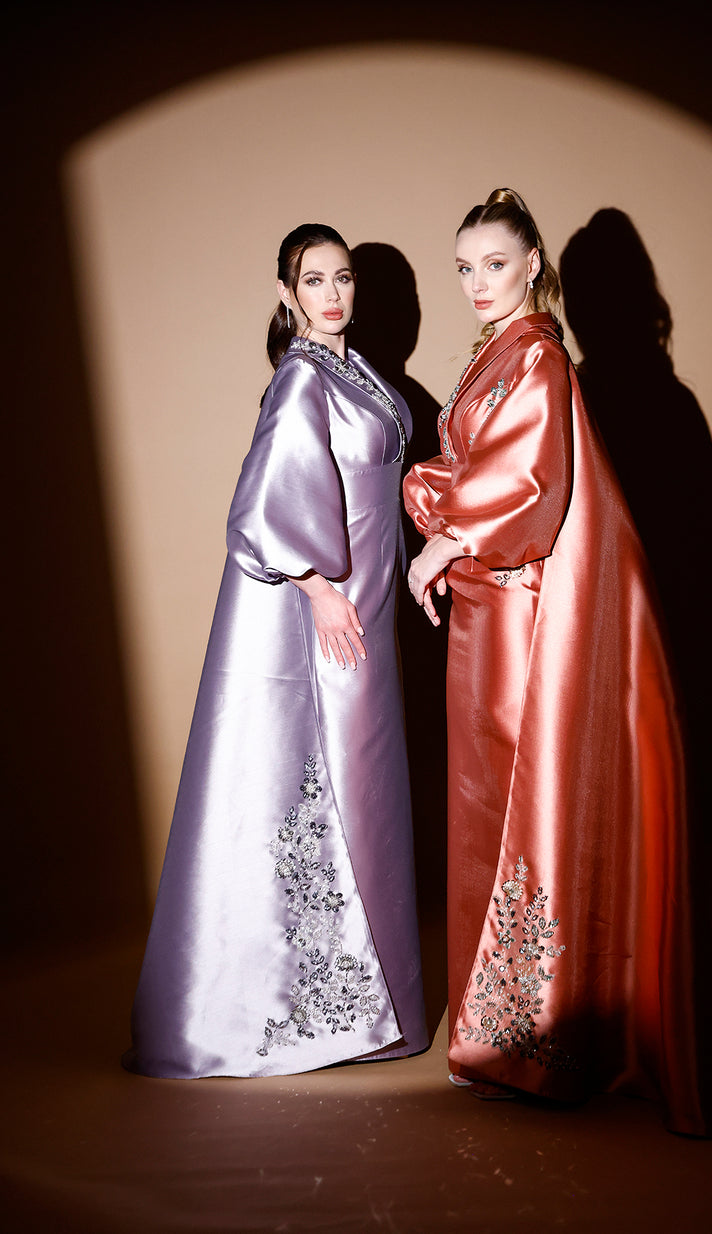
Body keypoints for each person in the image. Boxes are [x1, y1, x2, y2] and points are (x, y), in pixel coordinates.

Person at [403, 189, 712, 1136]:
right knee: (490, 806)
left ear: (532, 264)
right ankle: (508, 1026)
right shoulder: (501, 353)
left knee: (525, 800)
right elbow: (474, 469)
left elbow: (528, 488)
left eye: (493, 265)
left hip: (520, 614)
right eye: (464, 268)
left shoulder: (538, 358)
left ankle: (535, 1038)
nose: (476, 283)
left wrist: (440, 536)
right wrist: (443, 508)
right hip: (488, 610)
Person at [125, 223, 427, 1078]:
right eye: (314, 280)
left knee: (365, 782)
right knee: (332, 775)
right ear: (288, 292)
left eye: (343, 278)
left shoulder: (358, 372)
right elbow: (262, 503)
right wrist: (318, 589)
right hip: (329, 607)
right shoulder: (301, 377)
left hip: (371, 599)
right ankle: (329, 1010)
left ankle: (367, 1003)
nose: (332, 294)